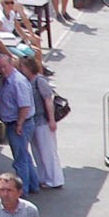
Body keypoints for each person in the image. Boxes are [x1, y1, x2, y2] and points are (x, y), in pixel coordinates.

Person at [0, 50, 41, 194]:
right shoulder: (6, 80)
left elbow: (25, 105)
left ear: (11, 65)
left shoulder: (17, 81)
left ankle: (21, 192)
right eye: (0, 67)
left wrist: (20, 124)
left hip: (19, 124)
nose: (2, 70)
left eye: (5, 66)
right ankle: (33, 185)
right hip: (15, 123)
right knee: (24, 157)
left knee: (20, 161)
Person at [23, 54, 64, 190]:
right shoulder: (30, 81)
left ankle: (54, 179)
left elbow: (48, 100)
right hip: (35, 121)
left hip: (43, 121)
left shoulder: (39, 81)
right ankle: (45, 178)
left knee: (48, 151)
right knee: (38, 151)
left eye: (22, 67)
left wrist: (52, 120)